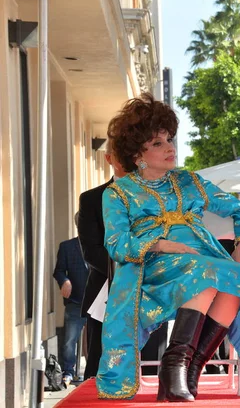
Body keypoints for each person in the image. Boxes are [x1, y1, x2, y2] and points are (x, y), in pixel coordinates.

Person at [95, 93, 240, 401]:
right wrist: (160, 244)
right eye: (158, 143)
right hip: (149, 269)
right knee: (206, 272)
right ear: (138, 153)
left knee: (235, 274)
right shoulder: (118, 193)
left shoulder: (189, 181)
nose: (170, 148)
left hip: (202, 261)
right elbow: (117, 244)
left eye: (169, 140)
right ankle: (173, 365)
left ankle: (190, 370)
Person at [78, 140, 168, 379]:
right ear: (109, 159)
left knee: (151, 366)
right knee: (101, 366)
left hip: (153, 290)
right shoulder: (91, 199)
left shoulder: (160, 197)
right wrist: (129, 271)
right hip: (107, 294)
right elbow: (92, 250)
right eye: (123, 155)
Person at [53, 218, 89, 385]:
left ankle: (94, 373)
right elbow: (59, 271)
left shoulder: (102, 245)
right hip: (75, 301)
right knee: (69, 341)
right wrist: (64, 281)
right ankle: (68, 372)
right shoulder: (66, 247)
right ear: (77, 224)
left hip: (99, 302)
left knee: (98, 340)